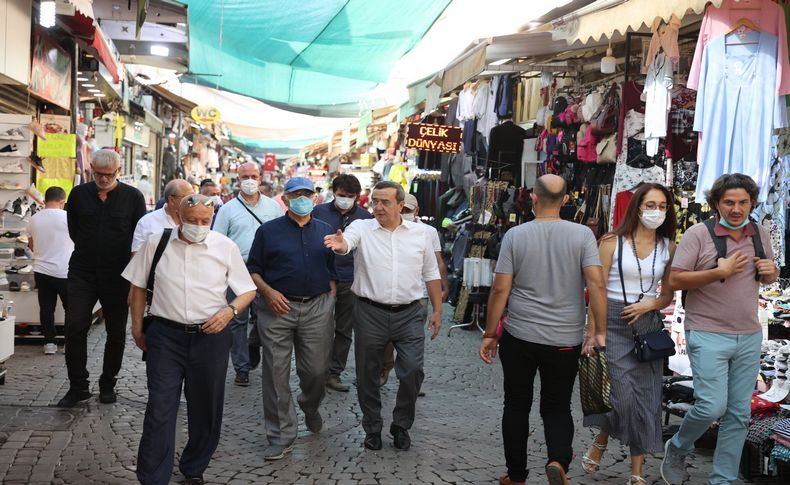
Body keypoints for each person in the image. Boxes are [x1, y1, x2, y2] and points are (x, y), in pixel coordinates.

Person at [479, 174, 607, 485]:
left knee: (517, 403)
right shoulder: (582, 236)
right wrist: (597, 331)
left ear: (533, 198)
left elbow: (500, 290)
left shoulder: (515, 235)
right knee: (558, 404)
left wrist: (490, 332)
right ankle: (558, 460)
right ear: (566, 200)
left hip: (520, 335)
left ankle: (517, 475)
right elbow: (597, 284)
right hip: (564, 338)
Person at [124, 194, 256, 485]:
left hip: (210, 336)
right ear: (178, 218)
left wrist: (229, 311)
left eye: (204, 221)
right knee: (160, 407)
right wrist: (137, 330)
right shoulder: (157, 241)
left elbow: (247, 290)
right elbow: (136, 288)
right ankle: (152, 478)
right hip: (165, 336)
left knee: (206, 408)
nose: (198, 226)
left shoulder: (225, 246)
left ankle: (194, 467)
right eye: (191, 220)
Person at [662, 174, 777, 485]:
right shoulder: (699, 234)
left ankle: (722, 479)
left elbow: (767, 274)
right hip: (707, 331)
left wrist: (771, 271)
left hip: (749, 334)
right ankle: (679, 444)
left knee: (739, 414)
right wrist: (717, 271)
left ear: (752, 202)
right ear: (716, 204)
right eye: (729, 202)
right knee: (713, 404)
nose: (736, 208)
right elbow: (675, 280)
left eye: (743, 202)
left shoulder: (760, 233)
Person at [323, 181, 443, 452]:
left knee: (412, 370)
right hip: (369, 312)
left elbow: (431, 273)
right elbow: (347, 243)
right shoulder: (361, 227)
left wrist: (436, 309)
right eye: (374, 201)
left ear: (401, 205)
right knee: (367, 373)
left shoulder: (422, 233)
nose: (378, 207)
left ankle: (401, 425)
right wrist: (340, 245)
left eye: (385, 202)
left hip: (410, 312)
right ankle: (372, 427)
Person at [581, 183, 677, 485]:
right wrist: (593, 332)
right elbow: (595, 290)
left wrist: (650, 304)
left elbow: (668, 296)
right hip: (612, 319)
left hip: (647, 323)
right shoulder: (611, 242)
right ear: (637, 207)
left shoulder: (668, 247)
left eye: (662, 206)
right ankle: (601, 440)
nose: (656, 212)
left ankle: (637, 471)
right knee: (620, 395)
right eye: (651, 205)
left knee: (647, 397)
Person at [247, 176, 337, 460]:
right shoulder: (268, 231)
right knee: (275, 374)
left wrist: (329, 299)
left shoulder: (325, 231)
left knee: (317, 370)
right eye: (296, 194)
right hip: (277, 309)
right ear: (285, 199)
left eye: (307, 194)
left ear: (315, 198)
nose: (302, 199)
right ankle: (281, 435)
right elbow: (253, 269)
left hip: (317, 308)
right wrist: (269, 293)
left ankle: (310, 406)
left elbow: (333, 270)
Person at [57, 149, 147, 407]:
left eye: (109, 174)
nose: (104, 179)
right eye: (99, 173)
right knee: (75, 326)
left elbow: (138, 237)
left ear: (118, 172)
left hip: (118, 274)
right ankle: (78, 386)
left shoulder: (133, 197)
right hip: (82, 271)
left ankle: (108, 383)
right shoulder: (78, 194)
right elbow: (74, 230)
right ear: (92, 170)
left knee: (116, 332)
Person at [213, 162, 283, 386]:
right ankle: (241, 368)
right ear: (238, 179)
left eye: (253, 175)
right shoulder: (227, 209)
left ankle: (257, 347)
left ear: (261, 178)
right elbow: (217, 241)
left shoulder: (273, 208)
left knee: (269, 320)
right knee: (237, 321)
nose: (250, 180)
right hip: (238, 272)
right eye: (245, 176)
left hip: (268, 273)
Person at [380, 193, 448, 387]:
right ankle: (385, 366)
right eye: (403, 209)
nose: (405, 213)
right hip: (391, 292)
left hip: (419, 295)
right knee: (387, 339)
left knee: (412, 339)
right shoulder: (387, 227)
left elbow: (437, 263)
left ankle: (410, 379)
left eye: (409, 210)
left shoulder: (428, 232)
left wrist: (443, 288)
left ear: (417, 211)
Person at [313, 174, 373, 392]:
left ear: (356, 197)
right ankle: (316, 371)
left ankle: (334, 372)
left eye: (350, 196)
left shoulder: (365, 218)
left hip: (350, 278)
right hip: (322, 278)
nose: (345, 199)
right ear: (334, 193)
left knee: (344, 329)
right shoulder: (318, 212)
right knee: (319, 327)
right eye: (341, 195)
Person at [27, 187, 73, 355]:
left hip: (41, 269)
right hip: (64, 270)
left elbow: (31, 245)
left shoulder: (34, 219)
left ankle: (49, 343)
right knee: (70, 308)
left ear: (45, 200)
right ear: (62, 201)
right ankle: (69, 343)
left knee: (46, 307)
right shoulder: (68, 218)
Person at [131, 179, 193, 253]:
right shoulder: (146, 222)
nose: (193, 202)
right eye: (189, 199)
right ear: (172, 200)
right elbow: (137, 258)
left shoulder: (197, 220)